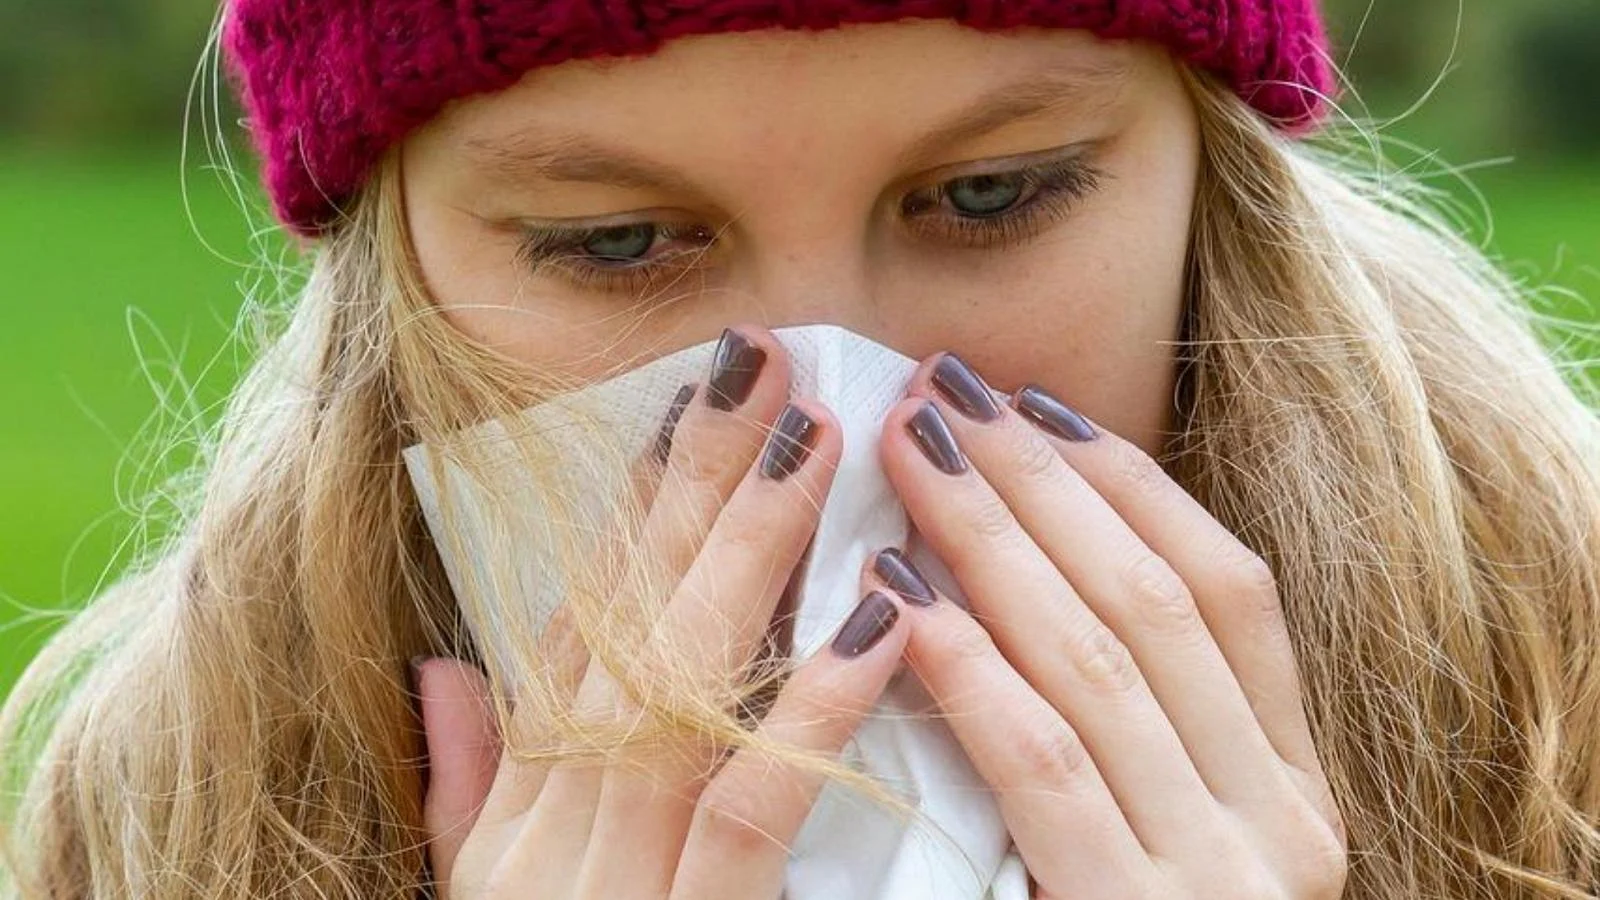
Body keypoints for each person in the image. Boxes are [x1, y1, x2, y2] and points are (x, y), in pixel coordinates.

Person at [3, 0, 1598, 896]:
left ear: (1212, 180)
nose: (832, 421)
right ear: (394, 280)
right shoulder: (149, 834)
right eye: (617, 239)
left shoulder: (1559, 708)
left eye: (992, 196)